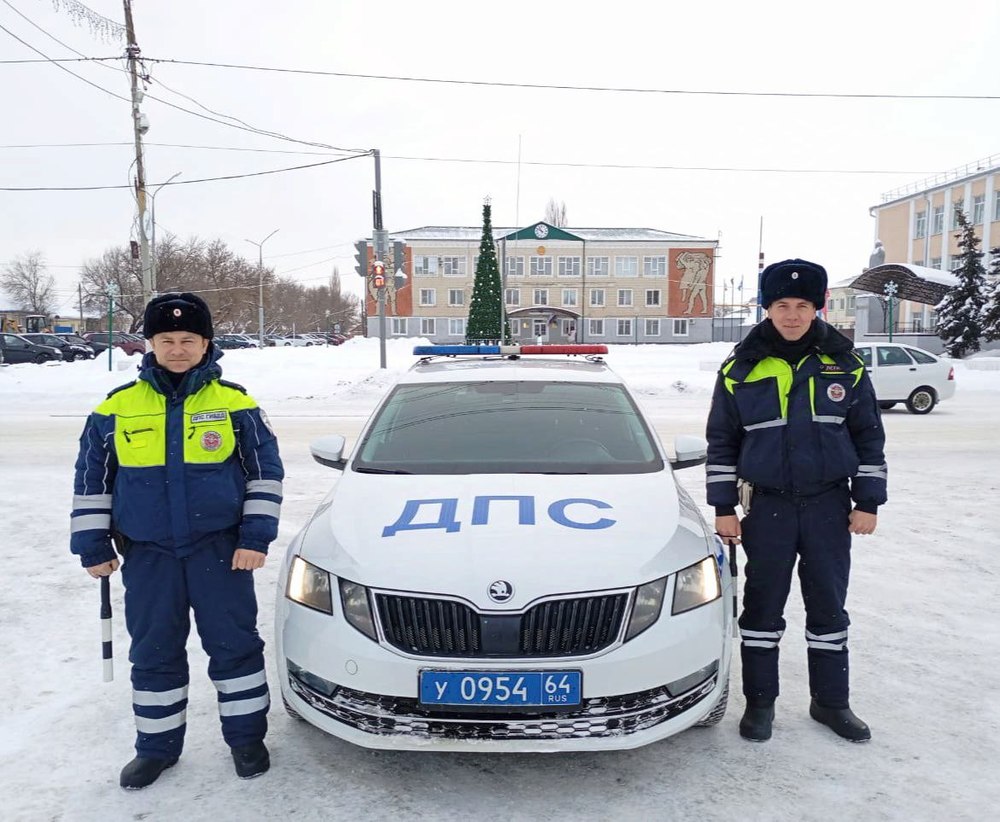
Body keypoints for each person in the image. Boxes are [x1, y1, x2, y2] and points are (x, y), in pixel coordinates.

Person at [70, 292, 284, 789]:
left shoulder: (237, 403)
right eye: (167, 339)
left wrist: (256, 537)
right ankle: (157, 748)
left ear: (206, 343)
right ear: (150, 343)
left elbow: (265, 476)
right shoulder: (115, 408)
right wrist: (94, 546)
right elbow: (91, 483)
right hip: (149, 556)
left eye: (189, 339)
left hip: (222, 551)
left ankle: (247, 739)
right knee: (154, 653)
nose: (178, 348)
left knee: (235, 649)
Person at [705, 259, 886, 744]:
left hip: (829, 505)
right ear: (767, 308)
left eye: (802, 305)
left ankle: (831, 702)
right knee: (762, 612)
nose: (791, 315)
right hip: (767, 509)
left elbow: (868, 436)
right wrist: (723, 507)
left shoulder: (844, 364)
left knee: (828, 609)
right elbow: (722, 442)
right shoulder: (740, 368)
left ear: (817, 307)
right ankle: (760, 703)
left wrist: (868, 500)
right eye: (782, 305)